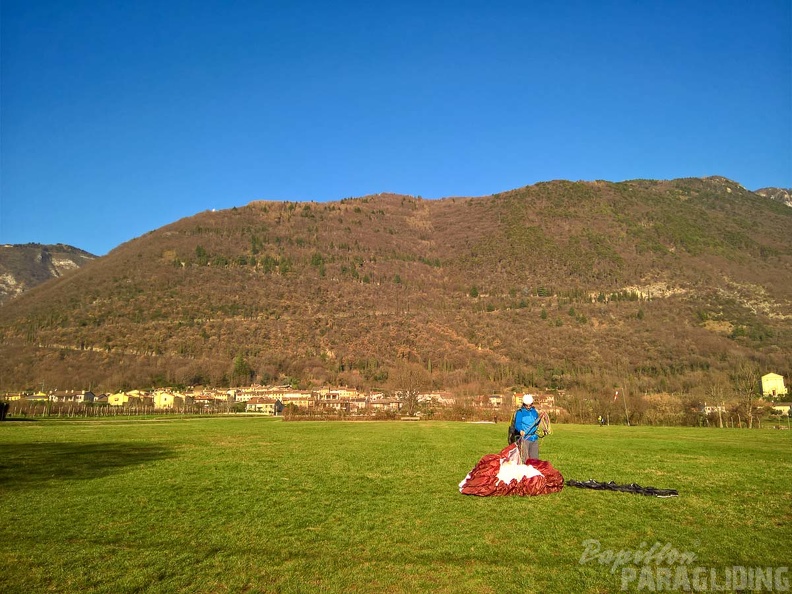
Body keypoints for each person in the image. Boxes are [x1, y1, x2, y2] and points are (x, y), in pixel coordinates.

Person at [515, 394, 540, 462]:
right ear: (523, 404)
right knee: (524, 460)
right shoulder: (520, 412)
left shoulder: (534, 412)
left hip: (534, 438)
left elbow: (537, 422)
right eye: (526, 405)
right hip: (525, 439)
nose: (528, 407)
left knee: (535, 460)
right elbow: (517, 423)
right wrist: (520, 430)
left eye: (530, 405)